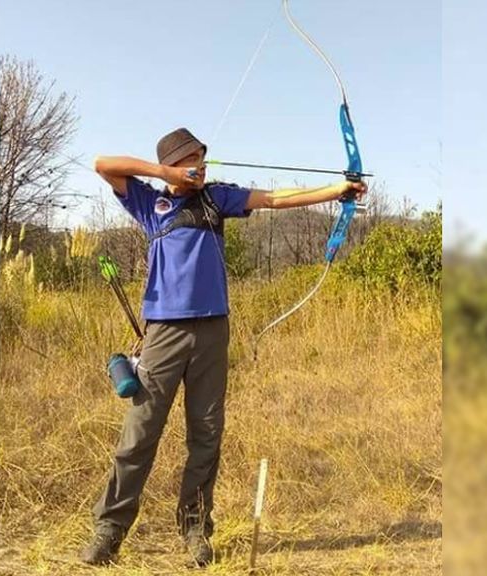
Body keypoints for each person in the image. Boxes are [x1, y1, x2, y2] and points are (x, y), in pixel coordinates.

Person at [81, 128, 366, 567]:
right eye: (192, 160)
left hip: (212, 331)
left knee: (206, 434)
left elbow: (274, 198)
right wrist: (164, 173)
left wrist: (338, 189)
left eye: (202, 159)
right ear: (173, 164)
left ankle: (196, 528)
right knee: (140, 433)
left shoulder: (217, 199)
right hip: (163, 334)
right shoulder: (149, 202)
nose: (201, 166)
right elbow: (103, 163)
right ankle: (110, 529)